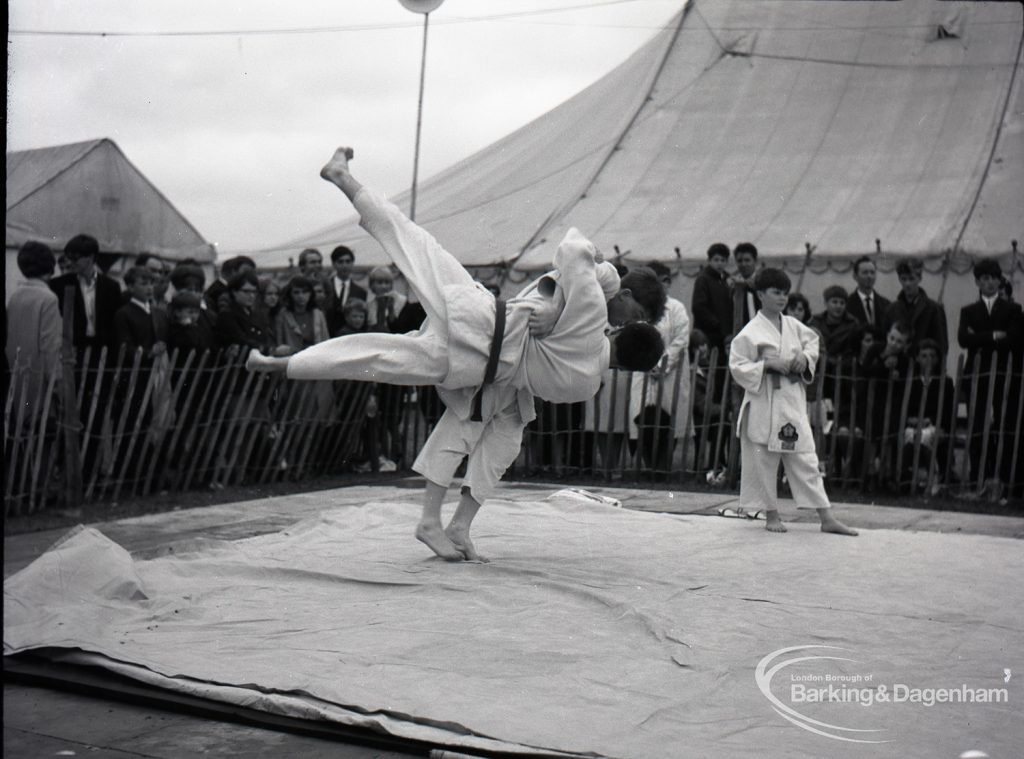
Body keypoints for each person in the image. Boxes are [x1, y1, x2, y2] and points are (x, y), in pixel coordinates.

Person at [247, 146, 665, 561]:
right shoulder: (588, 351)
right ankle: (449, 522)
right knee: (379, 355)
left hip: (481, 332)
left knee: (410, 253)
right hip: (478, 350)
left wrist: (570, 297)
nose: (631, 321)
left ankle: (341, 185)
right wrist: (562, 302)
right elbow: (575, 276)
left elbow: (576, 253)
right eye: (638, 314)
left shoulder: (590, 312)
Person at [728, 267, 858, 536]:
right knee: (763, 462)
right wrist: (765, 365)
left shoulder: (794, 326)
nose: (782, 298)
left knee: (806, 458)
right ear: (761, 294)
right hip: (763, 403)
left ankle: (826, 517)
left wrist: (805, 359)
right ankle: (771, 515)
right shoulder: (750, 332)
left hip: (790, 402)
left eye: (785, 293)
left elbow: (813, 342)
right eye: (776, 292)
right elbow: (737, 366)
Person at [957, 258, 1023, 495]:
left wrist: (980, 337)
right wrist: (994, 336)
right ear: (977, 281)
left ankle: (1006, 481)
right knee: (978, 427)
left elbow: (1015, 339)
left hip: (1006, 378)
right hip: (978, 377)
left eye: (994, 278)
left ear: (999, 280)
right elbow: (963, 340)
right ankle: (978, 478)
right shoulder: (969, 311)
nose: (989, 283)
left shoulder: (1014, 310)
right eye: (984, 278)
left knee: (1006, 426)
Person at [7, 242, 63, 430]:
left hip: (17, 377)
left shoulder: (15, 296)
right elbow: (50, 347)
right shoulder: (48, 298)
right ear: (51, 266)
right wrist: (57, 383)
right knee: (42, 440)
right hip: (40, 382)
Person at [50, 234, 122, 353]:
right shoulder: (58, 285)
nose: (70, 262)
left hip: (102, 350)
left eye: (75, 258)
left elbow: (114, 324)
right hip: (72, 349)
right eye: (68, 257)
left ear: (91, 257)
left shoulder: (111, 287)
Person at [900, 339, 956, 492]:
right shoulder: (910, 381)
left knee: (925, 437)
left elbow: (948, 410)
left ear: (938, 359)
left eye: (932, 356)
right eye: (924, 356)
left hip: (933, 425)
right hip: (912, 424)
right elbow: (903, 407)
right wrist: (910, 419)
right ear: (917, 358)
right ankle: (905, 477)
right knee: (910, 436)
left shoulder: (945, 382)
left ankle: (933, 477)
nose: (928, 360)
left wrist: (933, 422)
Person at [884, 257, 947, 356]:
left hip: (924, 366)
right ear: (899, 279)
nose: (907, 283)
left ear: (919, 278)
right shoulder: (891, 310)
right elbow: (886, 343)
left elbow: (942, 346)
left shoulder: (933, 309)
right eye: (904, 279)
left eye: (911, 278)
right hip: (898, 367)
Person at [323, 245, 368, 336]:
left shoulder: (361, 292)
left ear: (352, 263)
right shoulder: (324, 288)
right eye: (340, 262)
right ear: (334, 264)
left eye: (348, 261)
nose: (345, 266)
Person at [846, 256, 890, 333]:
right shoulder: (847, 304)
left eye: (872, 272)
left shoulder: (886, 304)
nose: (869, 276)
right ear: (855, 276)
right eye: (865, 272)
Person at [730, 242, 761, 333]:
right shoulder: (732, 284)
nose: (743, 264)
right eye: (740, 261)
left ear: (755, 261)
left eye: (747, 260)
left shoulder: (763, 281)